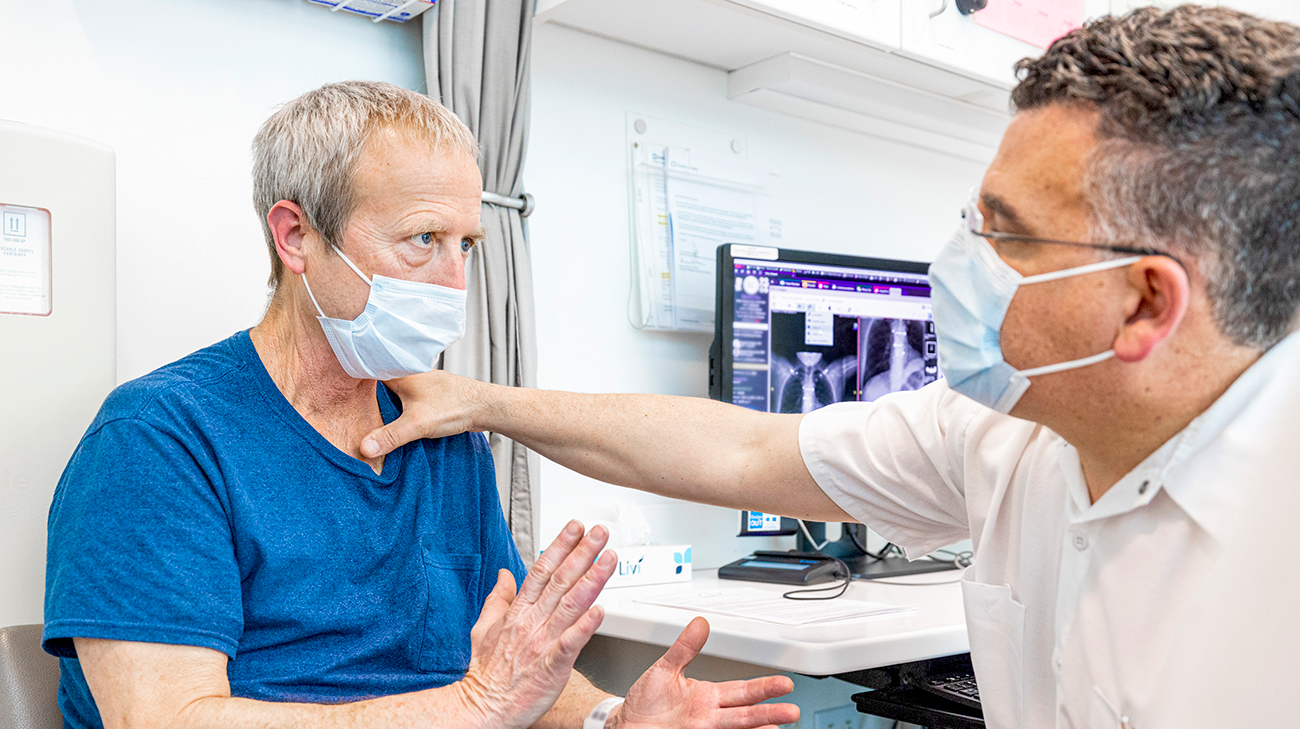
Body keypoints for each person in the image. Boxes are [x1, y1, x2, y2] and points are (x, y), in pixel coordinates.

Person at [358, 7, 1300, 728]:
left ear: (1143, 302)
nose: (960, 258)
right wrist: (481, 398)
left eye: (1005, 232)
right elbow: (738, 452)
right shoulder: (1007, 430)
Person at [42, 81, 798, 729]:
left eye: (465, 244)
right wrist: (471, 707)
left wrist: (609, 716)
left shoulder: (441, 436)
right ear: (296, 235)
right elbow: (170, 718)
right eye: (422, 239)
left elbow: (511, 670)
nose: (451, 282)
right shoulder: (160, 441)